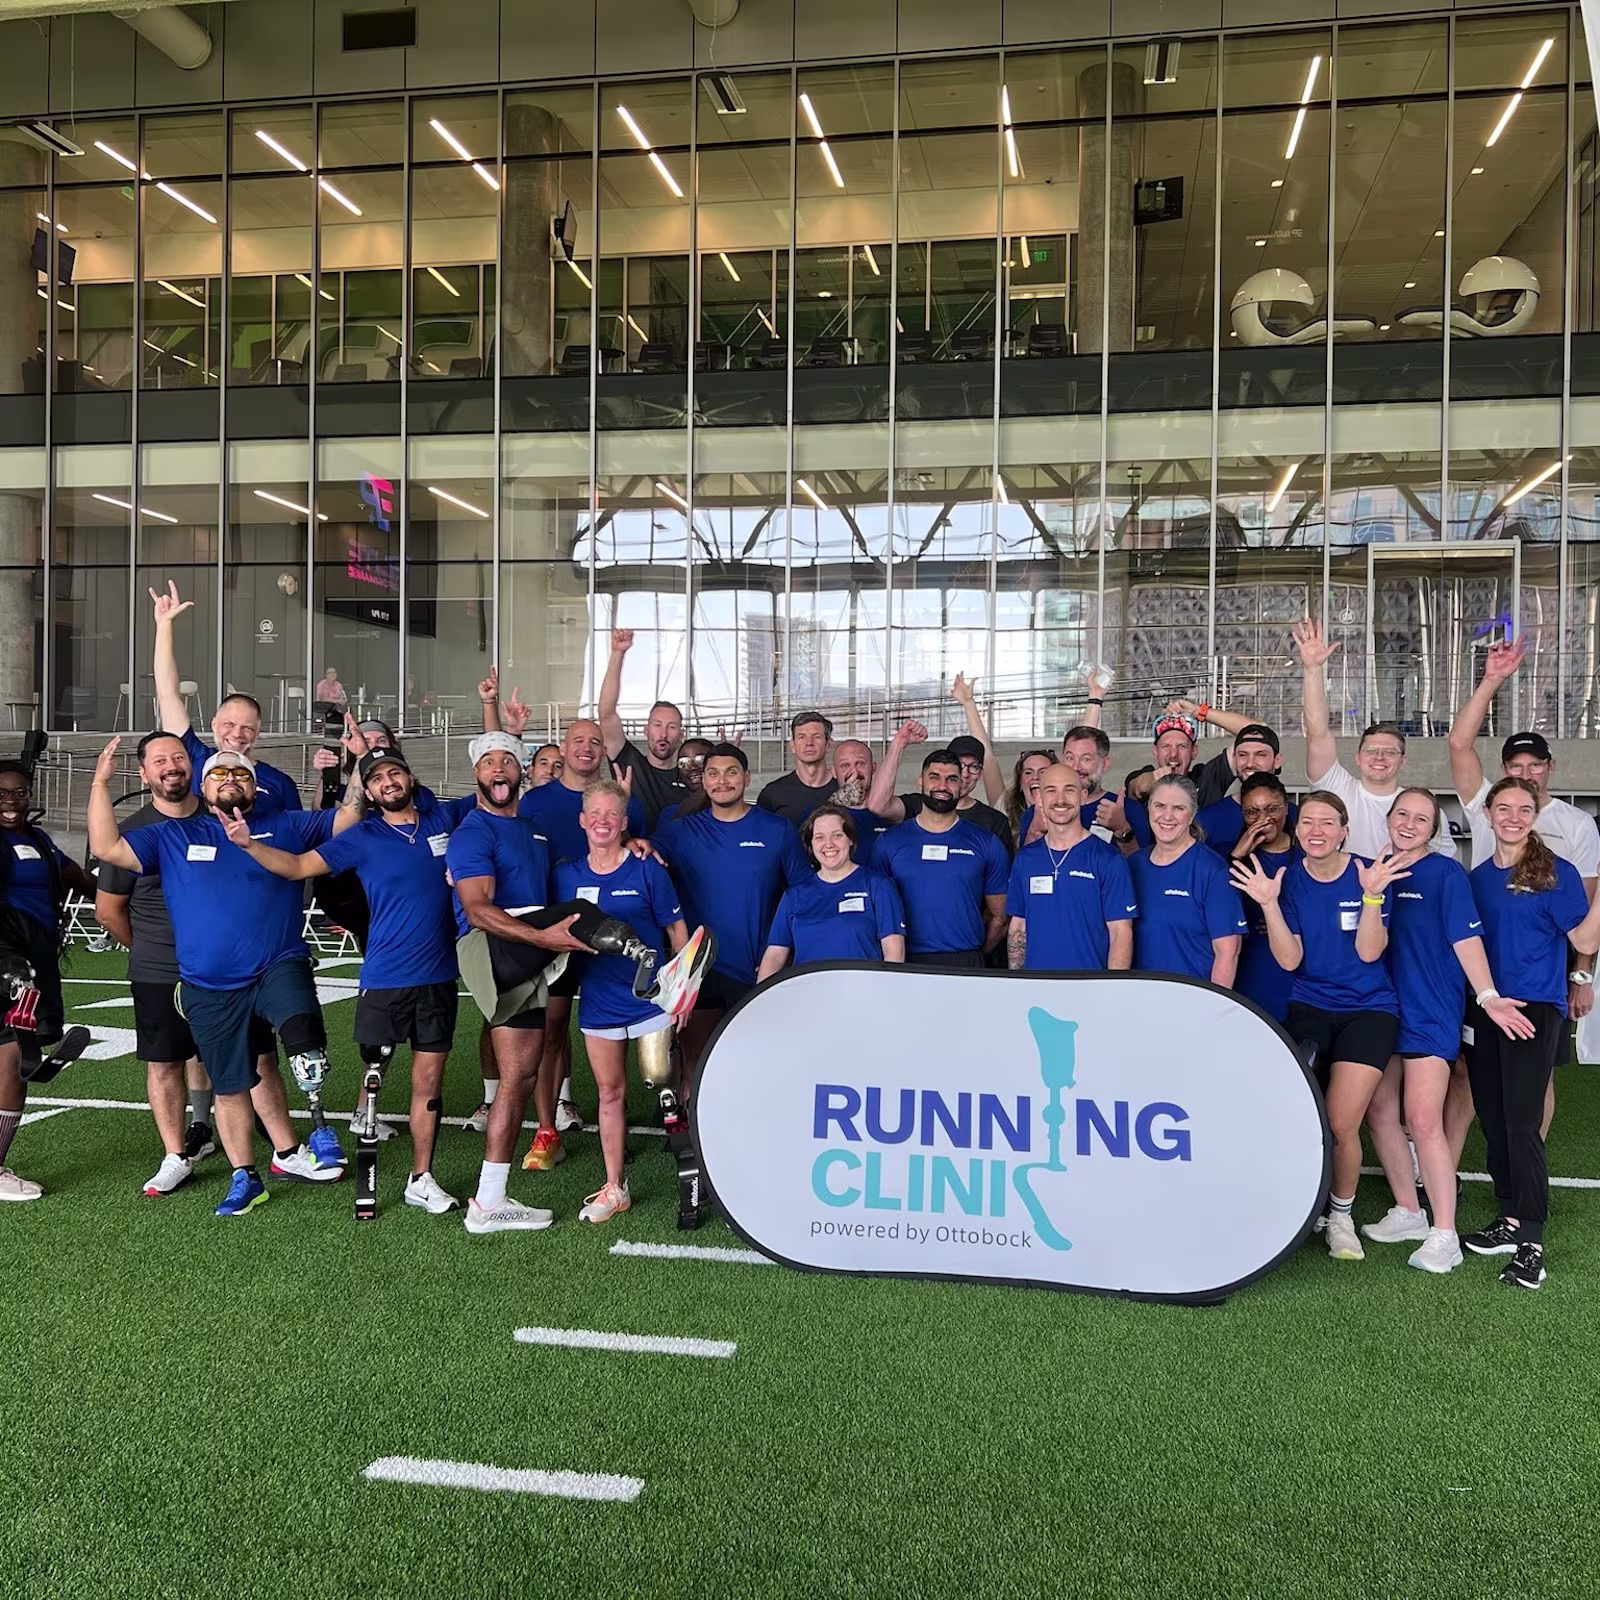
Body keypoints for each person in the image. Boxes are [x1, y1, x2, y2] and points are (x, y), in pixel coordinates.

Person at [87, 742, 354, 1216]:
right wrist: (100, 782)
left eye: (241, 773)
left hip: (276, 964)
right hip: (208, 984)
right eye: (219, 774)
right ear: (203, 786)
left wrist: (357, 763)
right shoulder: (171, 834)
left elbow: (350, 817)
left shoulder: (286, 824)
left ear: (255, 786)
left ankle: (317, 1129)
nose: (230, 778)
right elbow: (106, 848)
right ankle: (245, 1176)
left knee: (304, 1037)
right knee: (230, 1085)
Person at [219, 746, 478, 1216]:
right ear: (369, 792)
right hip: (384, 979)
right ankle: (369, 1157)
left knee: (429, 1083)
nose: (388, 782)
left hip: (439, 978)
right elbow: (299, 867)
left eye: (394, 773)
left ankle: (421, 1178)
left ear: (410, 777)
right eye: (376, 778)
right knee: (374, 1079)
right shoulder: (362, 836)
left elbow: (494, 790)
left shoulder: (443, 820)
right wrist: (249, 845)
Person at [446, 731, 636, 1235]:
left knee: (520, 1077)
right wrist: (544, 937)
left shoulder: (532, 831)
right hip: (495, 946)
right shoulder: (472, 832)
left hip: (528, 953)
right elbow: (477, 910)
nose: (499, 769)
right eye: (489, 762)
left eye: (508, 761)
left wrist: (631, 842)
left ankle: (489, 1201)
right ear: (477, 774)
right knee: (582, 912)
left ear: (522, 772)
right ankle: (651, 971)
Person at [1359, 788, 1534, 1275]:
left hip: (1429, 1010)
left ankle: (1445, 1234)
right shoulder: (1371, 870)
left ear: (1433, 830)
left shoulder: (1445, 874)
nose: (1409, 824)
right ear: (1388, 819)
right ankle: (1408, 1211)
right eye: (1402, 814)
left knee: (1422, 1119)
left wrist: (1487, 995)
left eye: (1421, 819)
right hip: (1380, 1008)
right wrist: (1372, 889)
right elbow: (1367, 946)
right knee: (1379, 1110)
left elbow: (1466, 938)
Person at [1230, 790, 1409, 1264]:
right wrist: (1269, 904)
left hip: (1369, 1010)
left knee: (1340, 1123)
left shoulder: (1370, 873)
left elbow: (1370, 952)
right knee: (1291, 1113)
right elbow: (1291, 960)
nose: (1316, 831)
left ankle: (1340, 1215)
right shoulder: (1288, 880)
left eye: (1328, 822)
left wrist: (1371, 895)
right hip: (1311, 1005)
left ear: (1344, 831)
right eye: (1308, 821)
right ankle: (1291, 1202)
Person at [1448, 637, 1599, 1138]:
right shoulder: (1487, 806)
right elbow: (1459, 744)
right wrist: (1491, 680)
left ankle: (1527, 1163)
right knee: (1467, 1070)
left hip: (1541, 970)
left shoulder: (1576, 824)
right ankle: (1441, 1169)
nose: (1527, 774)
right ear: (1504, 774)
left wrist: (1581, 976)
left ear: (1549, 768)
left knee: (1537, 1076)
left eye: (1536, 765)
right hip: (1479, 956)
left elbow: (1586, 910)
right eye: (1517, 767)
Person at [1465, 777, 1600, 1290]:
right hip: (1486, 1009)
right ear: (1488, 814)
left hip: (1534, 1011)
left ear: (1535, 815)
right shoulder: (1477, 878)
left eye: (1524, 809)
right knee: (1493, 1119)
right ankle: (1509, 1216)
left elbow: (1584, 937)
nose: (1514, 818)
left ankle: (1532, 1244)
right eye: (1504, 808)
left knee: (1523, 1123)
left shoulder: (1555, 873)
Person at [554, 779, 690, 1225]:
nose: (603, 821)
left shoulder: (647, 869)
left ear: (623, 822)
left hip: (651, 1002)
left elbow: (676, 931)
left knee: (664, 1087)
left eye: (611, 814)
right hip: (600, 1002)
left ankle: (692, 1175)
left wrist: (682, 991)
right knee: (609, 1093)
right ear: (582, 820)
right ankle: (616, 1187)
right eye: (595, 813)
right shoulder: (566, 876)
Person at [512, 716, 648, 1158]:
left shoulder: (623, 800)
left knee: (620, 1029)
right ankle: (547, 1130)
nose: (587, 747)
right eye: (578, 740)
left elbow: (638, 846)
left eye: (595, 741)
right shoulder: (535, 801)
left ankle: (621, 1120)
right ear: (564, 747)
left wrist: (641, 841)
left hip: (611, 932)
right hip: (556, 931)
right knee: (551, 1027)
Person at [94, 731, 222, 1195]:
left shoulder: (220, 820)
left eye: (179, 757)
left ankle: (205, 1129)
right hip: (159, 970)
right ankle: (175, 1154)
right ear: (144, 773)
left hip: (222, 966)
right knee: (165, 1061)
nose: (172, 766)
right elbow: (108, 911)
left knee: (222, 1055)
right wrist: (150, 949)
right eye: (160, 760)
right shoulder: (131, 833)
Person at [655, 744, 811, 1075]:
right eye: (713, 773)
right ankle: (688, 1109)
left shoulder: (777, 830)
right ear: (704, 781)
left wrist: (786, 954)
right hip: (698, 971)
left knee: (755, 1064)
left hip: (756, 970)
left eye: (731, 772)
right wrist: (630, 839)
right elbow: (640, 859)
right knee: (696, 1064)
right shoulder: (679, 832)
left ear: (747, 778)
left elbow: (804, 896)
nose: (722, 781)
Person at [0, 758, 96, 1201]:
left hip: (37, 950)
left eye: (19, 792)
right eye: (2, 793)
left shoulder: (38, 840)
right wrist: (10, 962)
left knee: (17, 1056)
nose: (11, 801)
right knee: (13, 1053)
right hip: (8, 952)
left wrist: (126, 888)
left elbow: (76, 877)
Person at [1293, 617, 1456, 860]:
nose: (1379, 757)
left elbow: (1443, 867)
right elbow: (1317, 732)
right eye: (1371, 751)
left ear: (1403, 761)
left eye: (1390, 752)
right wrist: (1313, 670)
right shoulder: (1337, 788)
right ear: (1358, 757)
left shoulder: (1423, 810)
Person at [150, 581, 303, 815]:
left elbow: (298, 832)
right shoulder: (196, 759)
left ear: (258, 733)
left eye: (247, 728)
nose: (236, 734)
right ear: (213, 724)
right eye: (229, 724)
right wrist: (164, 625)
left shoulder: (280, 784)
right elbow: (167, 694)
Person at [875, 750, 1009, 968]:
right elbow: (875, 911)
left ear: (961, 785)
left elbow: (1001, 916)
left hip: (965, 960)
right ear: (921, 782)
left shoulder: (986, 842)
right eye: (934, 777)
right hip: (905, 961)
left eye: (952, 779)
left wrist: (977, 954)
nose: (942, 786)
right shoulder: (889, 842)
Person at [1005, 764, 1136, 972]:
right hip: (1036, 986)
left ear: (1083, 796)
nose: (1060, 799)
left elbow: (1120, 932)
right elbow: (1018, 926)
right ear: (1039, 799)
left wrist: (1113, 987)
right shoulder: (1025, 859)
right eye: (1051, 790)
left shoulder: (1108, 859)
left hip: (1089, 986)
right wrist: (1017, 980)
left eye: (1069, 790)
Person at [757, 805, 906, 978]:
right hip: (808, 991)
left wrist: (884, 990)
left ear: (850, 839)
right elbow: (775, 955)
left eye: (837, 835)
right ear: (811, 844)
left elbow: (894, 950)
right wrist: (761, 991)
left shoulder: (877, 886)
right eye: (819, 837)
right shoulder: (795, 896)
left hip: (862, 990)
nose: (828, 844)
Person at [1126, 776, 1245, 985]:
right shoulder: (1133, 865)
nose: (1167, 816)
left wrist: (1214, 1003)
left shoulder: (1212, 870)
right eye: (1159, 806)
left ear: (1192, 815)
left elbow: (1228, 951)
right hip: (1139, 994)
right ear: (1149, 809)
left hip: (1192, 997)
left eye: (1178, 808)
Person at [866, 704, 1012, 852]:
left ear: (980, 773)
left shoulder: (995, 821)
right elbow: (878, 805)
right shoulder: (919, 804)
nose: (965, 774)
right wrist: (899, 743)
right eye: (959, 765)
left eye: (974, 767)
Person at [597, 627, 689, 830]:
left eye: (671, 727)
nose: (663, 734)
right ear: (646, 730)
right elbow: (606, 712)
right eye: (657, 725)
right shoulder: (629, 763)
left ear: (681, 734)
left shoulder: (690, 777)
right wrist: (618, 653)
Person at [1227, 773, 1298, 1024]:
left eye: (1271, 809)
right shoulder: (1230, 857)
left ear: (1286, 808)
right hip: (1251, 967)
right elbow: (1219, 910)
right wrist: (1236, 856)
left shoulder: (1307, 853)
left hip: (1299, 970)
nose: (1263, 819)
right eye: (1252, 812)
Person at [755, 711, 838, 825]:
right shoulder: (773, 793)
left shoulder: (843, 789)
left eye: (817, 737)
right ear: (793, 746)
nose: (809, 743)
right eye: (801, 737)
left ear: (828, 745)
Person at [829, 738, 891, 868]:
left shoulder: (892, 813)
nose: (854, 772)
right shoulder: (820, 814)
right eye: (845, 765)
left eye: (860, 764)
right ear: (833, 772)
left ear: (873, 767)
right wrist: (841, 798)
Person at [1004, 749, 1054, 842]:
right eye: (1028, 772)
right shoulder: (1007, 827)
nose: (1035, 777)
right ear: (1020, 784)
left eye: (1043, 772)